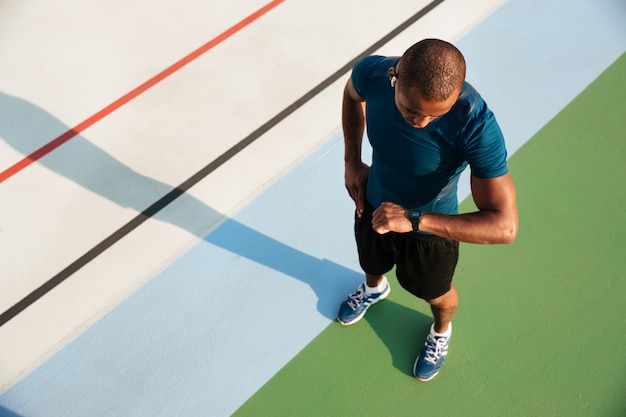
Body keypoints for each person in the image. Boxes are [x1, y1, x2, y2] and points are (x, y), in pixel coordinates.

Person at [337, 38, 518, 381]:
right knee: (370, 262)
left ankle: (441, 331)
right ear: (394, 78)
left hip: (429, 233)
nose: (421, 121)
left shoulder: (475, 124)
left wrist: (414, 219)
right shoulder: (373, 74)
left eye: (436, 114)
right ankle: (374, 288)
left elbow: (505, 227)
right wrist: (351, 162)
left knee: (437, 295)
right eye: (410, 110)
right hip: (372, 203)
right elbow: (350, 93)